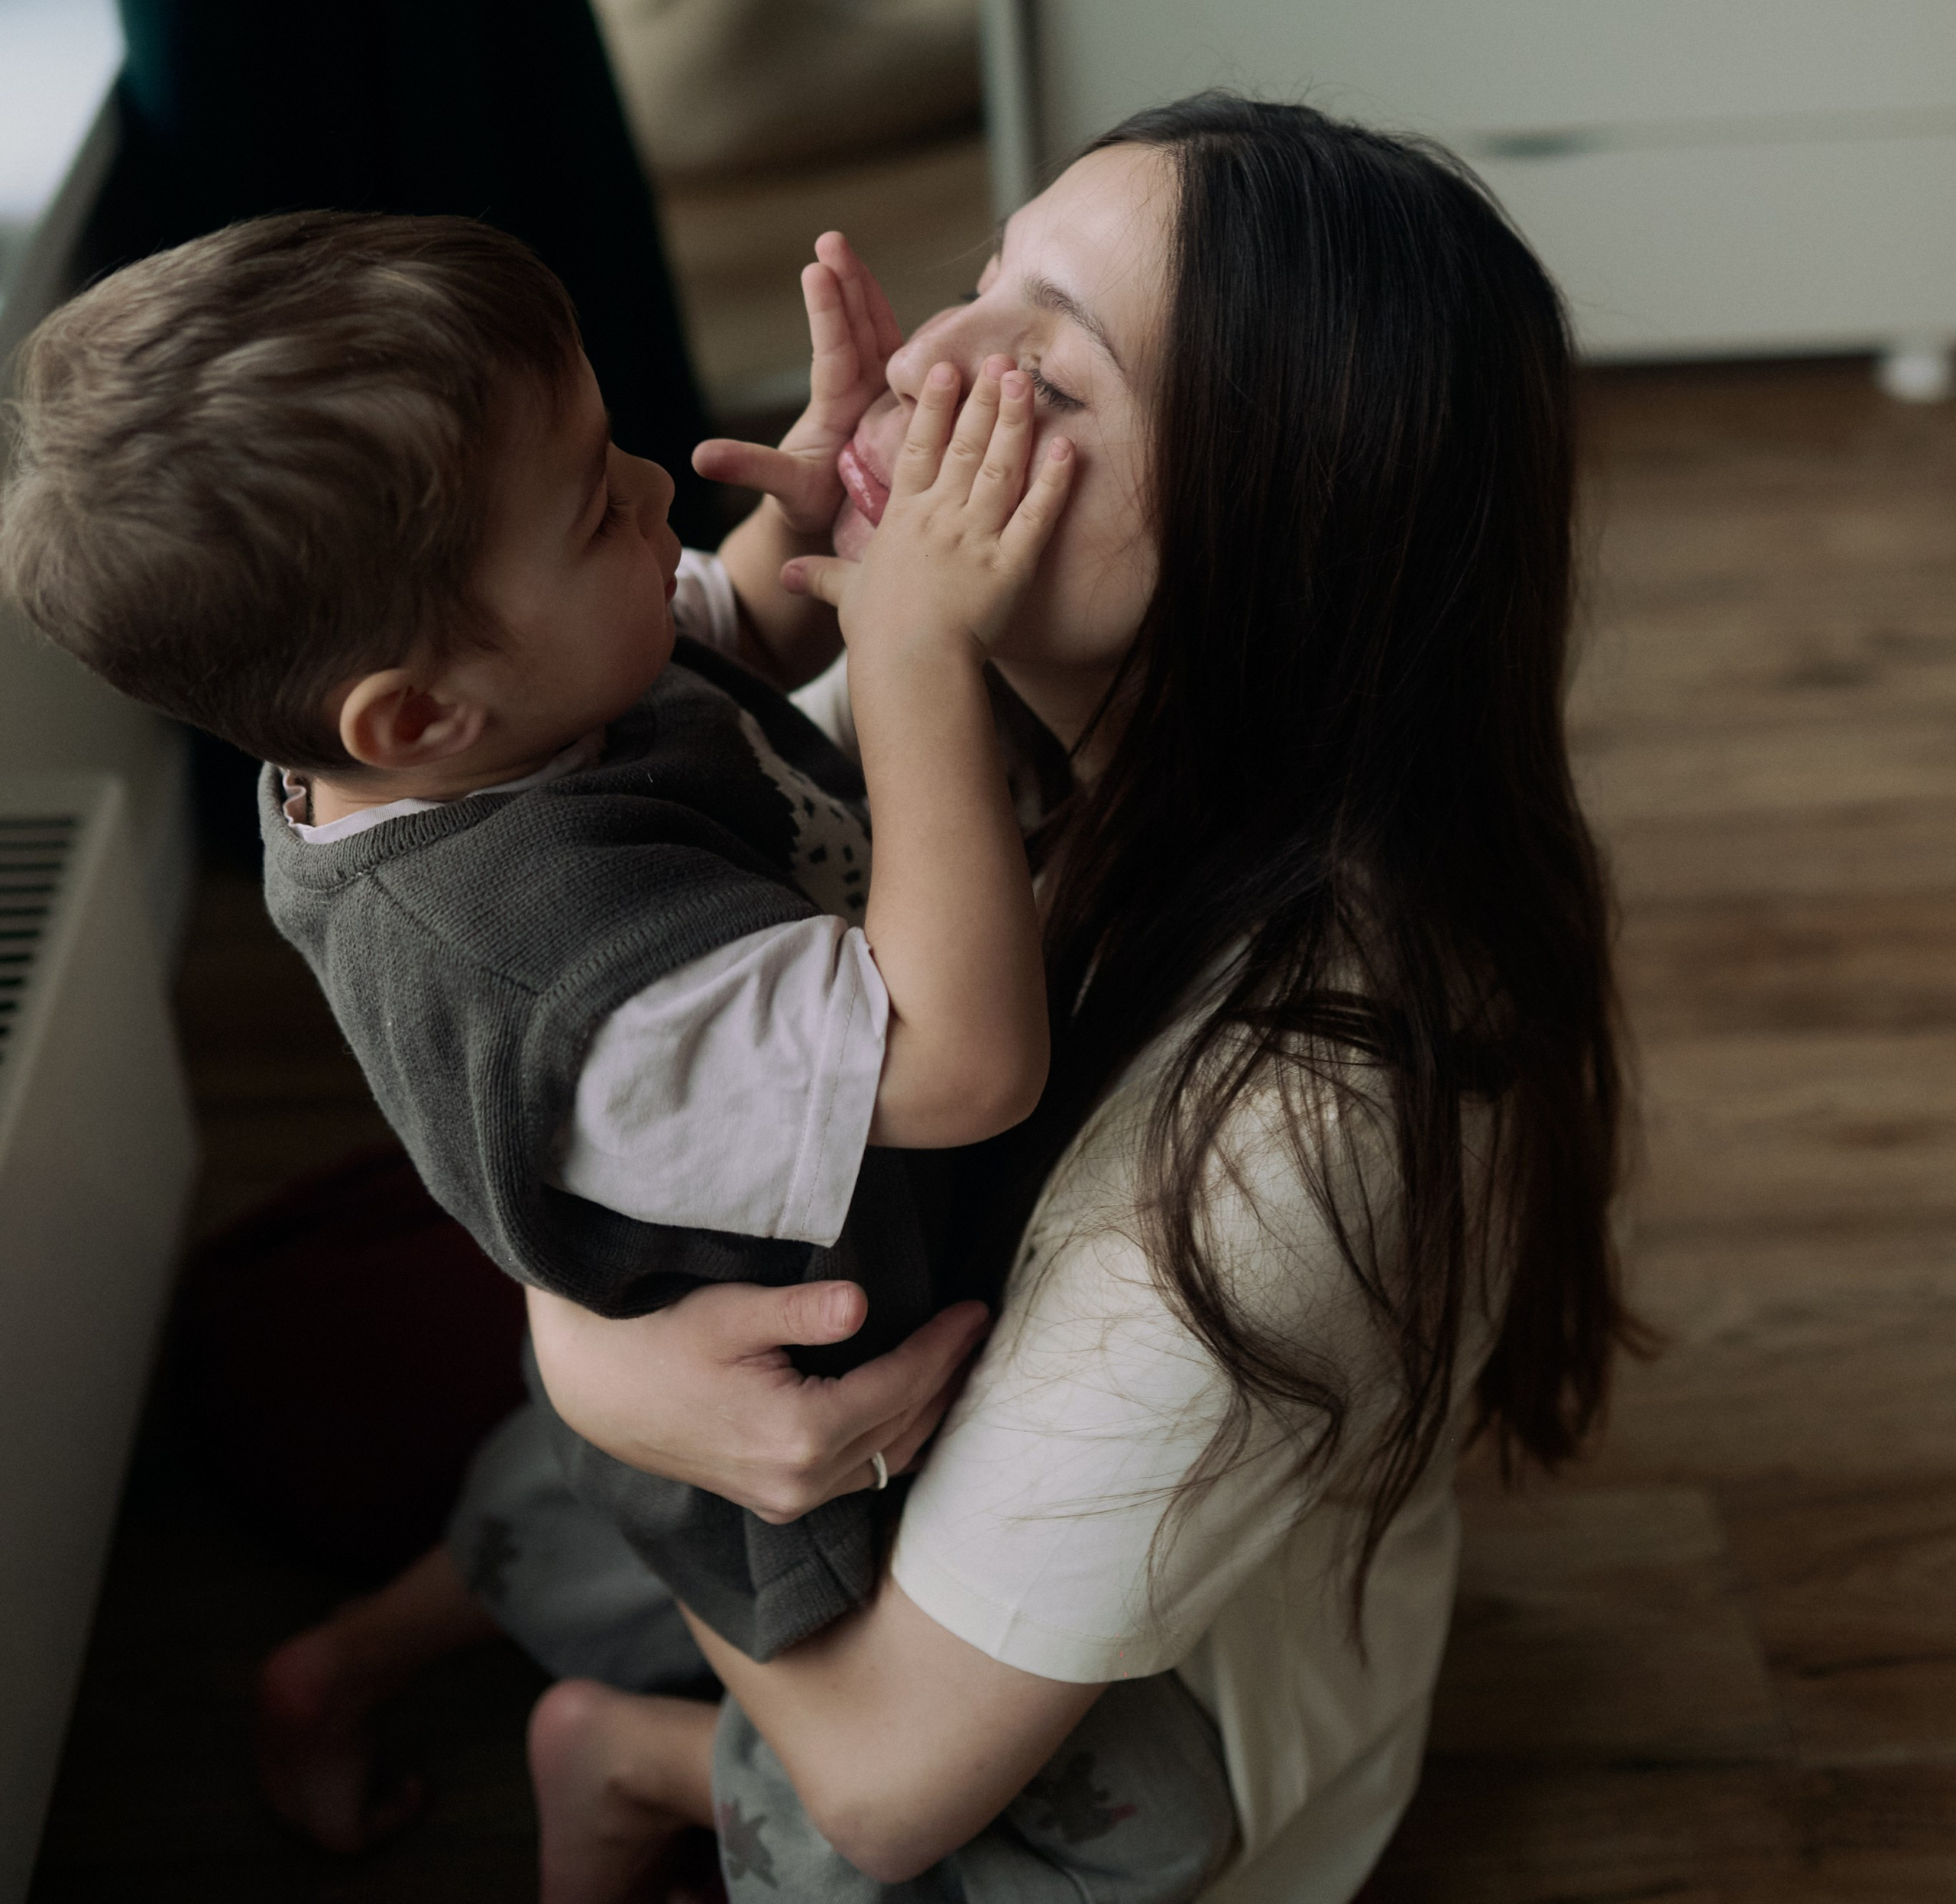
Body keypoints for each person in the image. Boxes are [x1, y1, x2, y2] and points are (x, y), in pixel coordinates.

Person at [497, 95, 1637, 1903]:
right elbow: (615, 1010)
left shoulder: (1294, 1134)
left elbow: (882, 1784)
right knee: (564, 1430)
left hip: (1138, 1718)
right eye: (985, 277)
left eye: (1056, 375)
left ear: (1284, 541)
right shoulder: (978, 682)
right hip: (952, 1431)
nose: (931, 364)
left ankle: (632, 1760)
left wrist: (606, 1388)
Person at [0, 209, 1074, 1674]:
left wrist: (816, 504)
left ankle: (353, 1657)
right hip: (816, 1454)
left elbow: (728, 628)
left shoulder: (498, 702)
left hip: (716, 1229)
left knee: (541, 1501)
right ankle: (596, 1760)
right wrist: (919, 659)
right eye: (592, 509)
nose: (654, 486)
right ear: (418, 717)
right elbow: (966, 1067)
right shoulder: (558, 978)